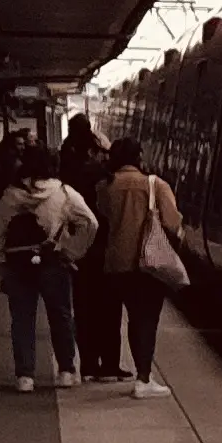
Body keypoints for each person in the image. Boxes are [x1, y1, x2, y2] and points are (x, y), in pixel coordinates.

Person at [0, 159, 94, 392]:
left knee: (22, 320)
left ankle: (25, 377)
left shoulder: (9, 196)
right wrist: (73, 250)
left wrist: (1, 265)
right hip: (53, 262)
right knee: (61, 316)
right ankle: (66, 370)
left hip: (17, 265)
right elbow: (90, 222)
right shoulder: (64, 193)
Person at [93, 146, 187, 396]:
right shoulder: (156, 185)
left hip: (115, 262)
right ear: (139, 158)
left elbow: (102, 216)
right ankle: (143, 378)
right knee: (145, 320)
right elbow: (173, 221)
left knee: (131, 316)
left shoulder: (105, 187)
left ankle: (130, 371)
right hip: (148, 263)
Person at [66, 136, 126, 382]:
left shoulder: (69, 180)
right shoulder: (107, 179)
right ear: (93, 151)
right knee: (110, 310)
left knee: (84, 309)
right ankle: (110, 362)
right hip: (105, 251)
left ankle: (88, 362)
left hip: (81, 254)